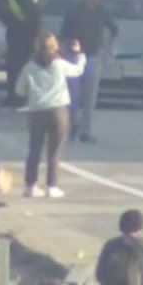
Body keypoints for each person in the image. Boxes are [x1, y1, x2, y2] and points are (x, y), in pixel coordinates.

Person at [16, 32, 85, 198]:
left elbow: (19, 90)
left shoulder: (29, 66)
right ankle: (52, 186)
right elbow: (77, 70)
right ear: (55, 46)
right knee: (54, 151)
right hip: (58, 110)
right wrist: (79, 55)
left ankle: (30, 185)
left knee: (34, 149)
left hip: (36, 111)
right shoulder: (59, 64)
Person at [60, 0, 117, 143]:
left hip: (93, 56)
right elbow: (63, 33)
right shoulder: (74, 11)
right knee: (73, 95)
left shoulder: (103, 11)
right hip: (74, 56)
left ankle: (86, 130)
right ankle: (72, 126)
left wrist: (107, 49)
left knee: (90, 97)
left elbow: (114, 29)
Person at [0, 0, 41, 107]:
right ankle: (13, 97)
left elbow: (34, 12)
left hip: (26, 32)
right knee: (12, 66)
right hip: (14, 31)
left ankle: (19, 98)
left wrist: (35, 36)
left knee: (19, 66)